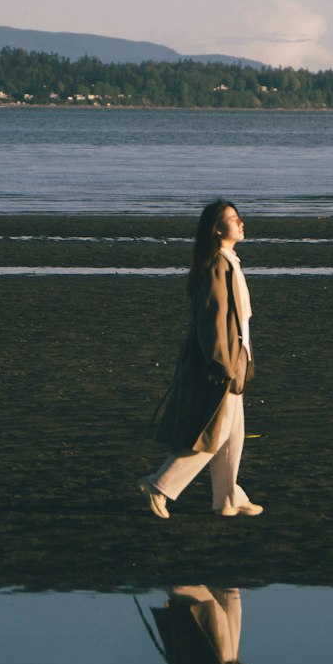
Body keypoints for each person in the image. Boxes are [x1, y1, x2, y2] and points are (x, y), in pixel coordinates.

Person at [138, 199, 263, 519]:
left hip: (235, 360)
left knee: (232, 435)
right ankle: (160, 484)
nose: (241, 223)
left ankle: (228, 498)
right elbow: (213, 320)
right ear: (217, 228)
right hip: (222, 364)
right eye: (233, 219)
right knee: (213, 434)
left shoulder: (228, 261)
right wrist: (220, 363)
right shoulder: (216, 266)